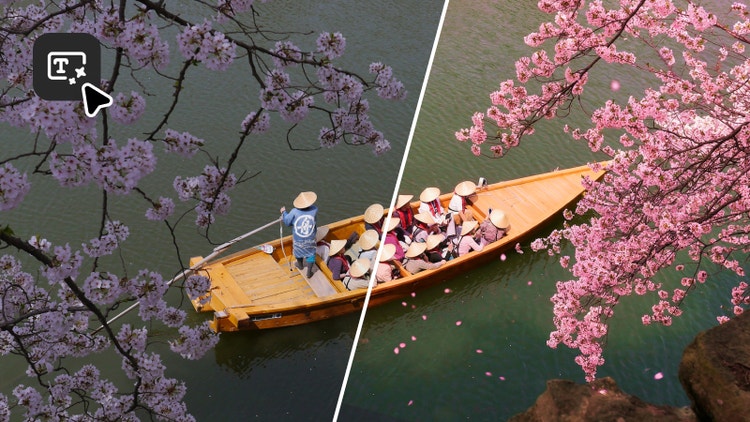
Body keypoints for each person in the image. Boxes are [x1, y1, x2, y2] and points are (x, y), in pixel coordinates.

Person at [281, 191, 318, 277]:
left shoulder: (294, 211)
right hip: (310, 237)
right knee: (311, 252)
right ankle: (309, 272)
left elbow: (287, 222)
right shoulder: (314, 209)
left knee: (298, 251)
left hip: (299, 238)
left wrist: (284, 212)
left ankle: (300, 265)